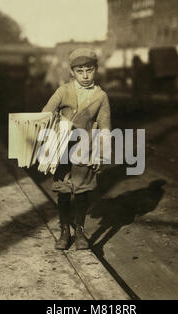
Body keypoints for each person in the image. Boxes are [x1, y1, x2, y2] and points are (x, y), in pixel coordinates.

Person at [42, 48, 112, 250]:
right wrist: (58, 126)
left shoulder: (101, 96)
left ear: (96, 70)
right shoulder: (63, 91)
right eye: (80, 71)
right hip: (62, 149)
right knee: (63, 191)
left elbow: (105, 128)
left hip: (85, 150)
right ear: (72, 72)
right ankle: (64, 231)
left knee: (81, 192)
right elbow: (45, 114)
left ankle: (80, 231)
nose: (85, 75)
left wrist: (101, 154)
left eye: (89, 70)